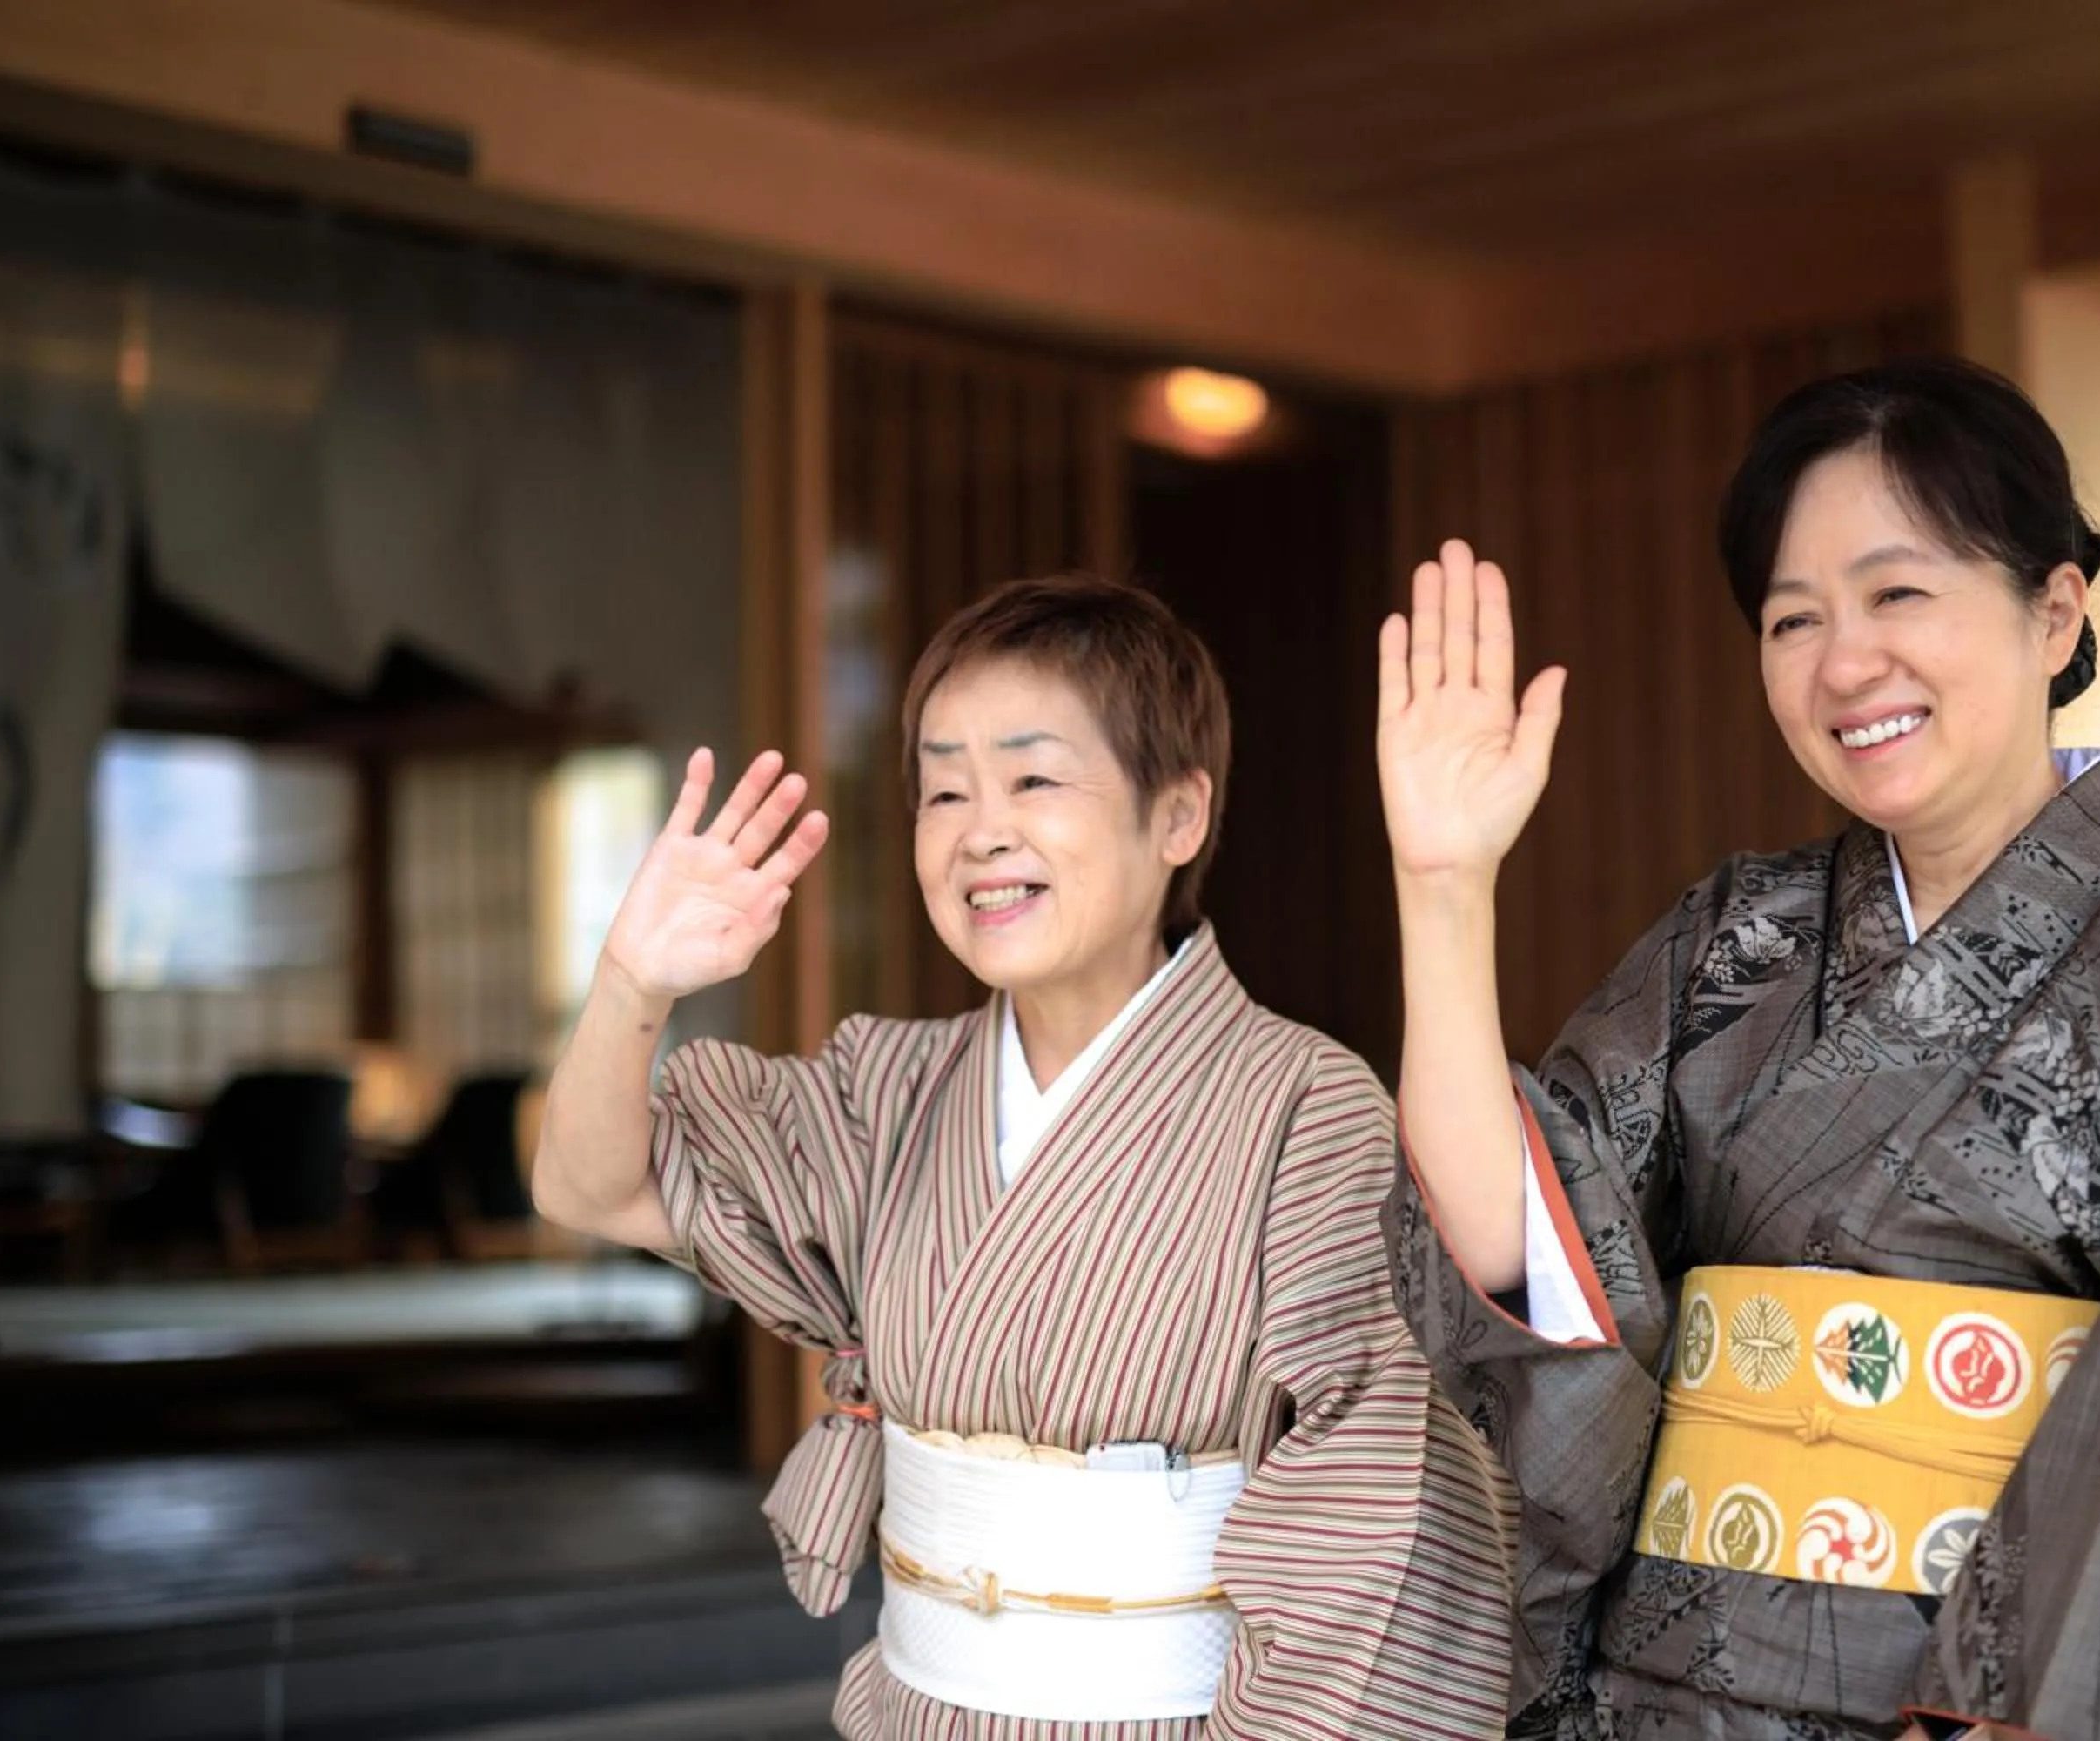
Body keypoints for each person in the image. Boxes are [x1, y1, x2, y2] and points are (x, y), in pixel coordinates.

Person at [1376, 358, 2100, 1740]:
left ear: (2054, 611)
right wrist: (1443, 884)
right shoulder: (1735, 940)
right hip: (1677, 1699)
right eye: (1792, 618)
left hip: (2001, 1703)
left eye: (1898, 594)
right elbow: (1520, 1258)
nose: (1843, 662)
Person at [534, 576, 1511, 1738]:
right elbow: (591, 1185)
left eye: (1034, 779)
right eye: (943, 790)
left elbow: (1379, 1523)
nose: (979, 830)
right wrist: (632, 983)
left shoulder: (1307, 1110)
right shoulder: (885, 1093)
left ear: (1178, 817)